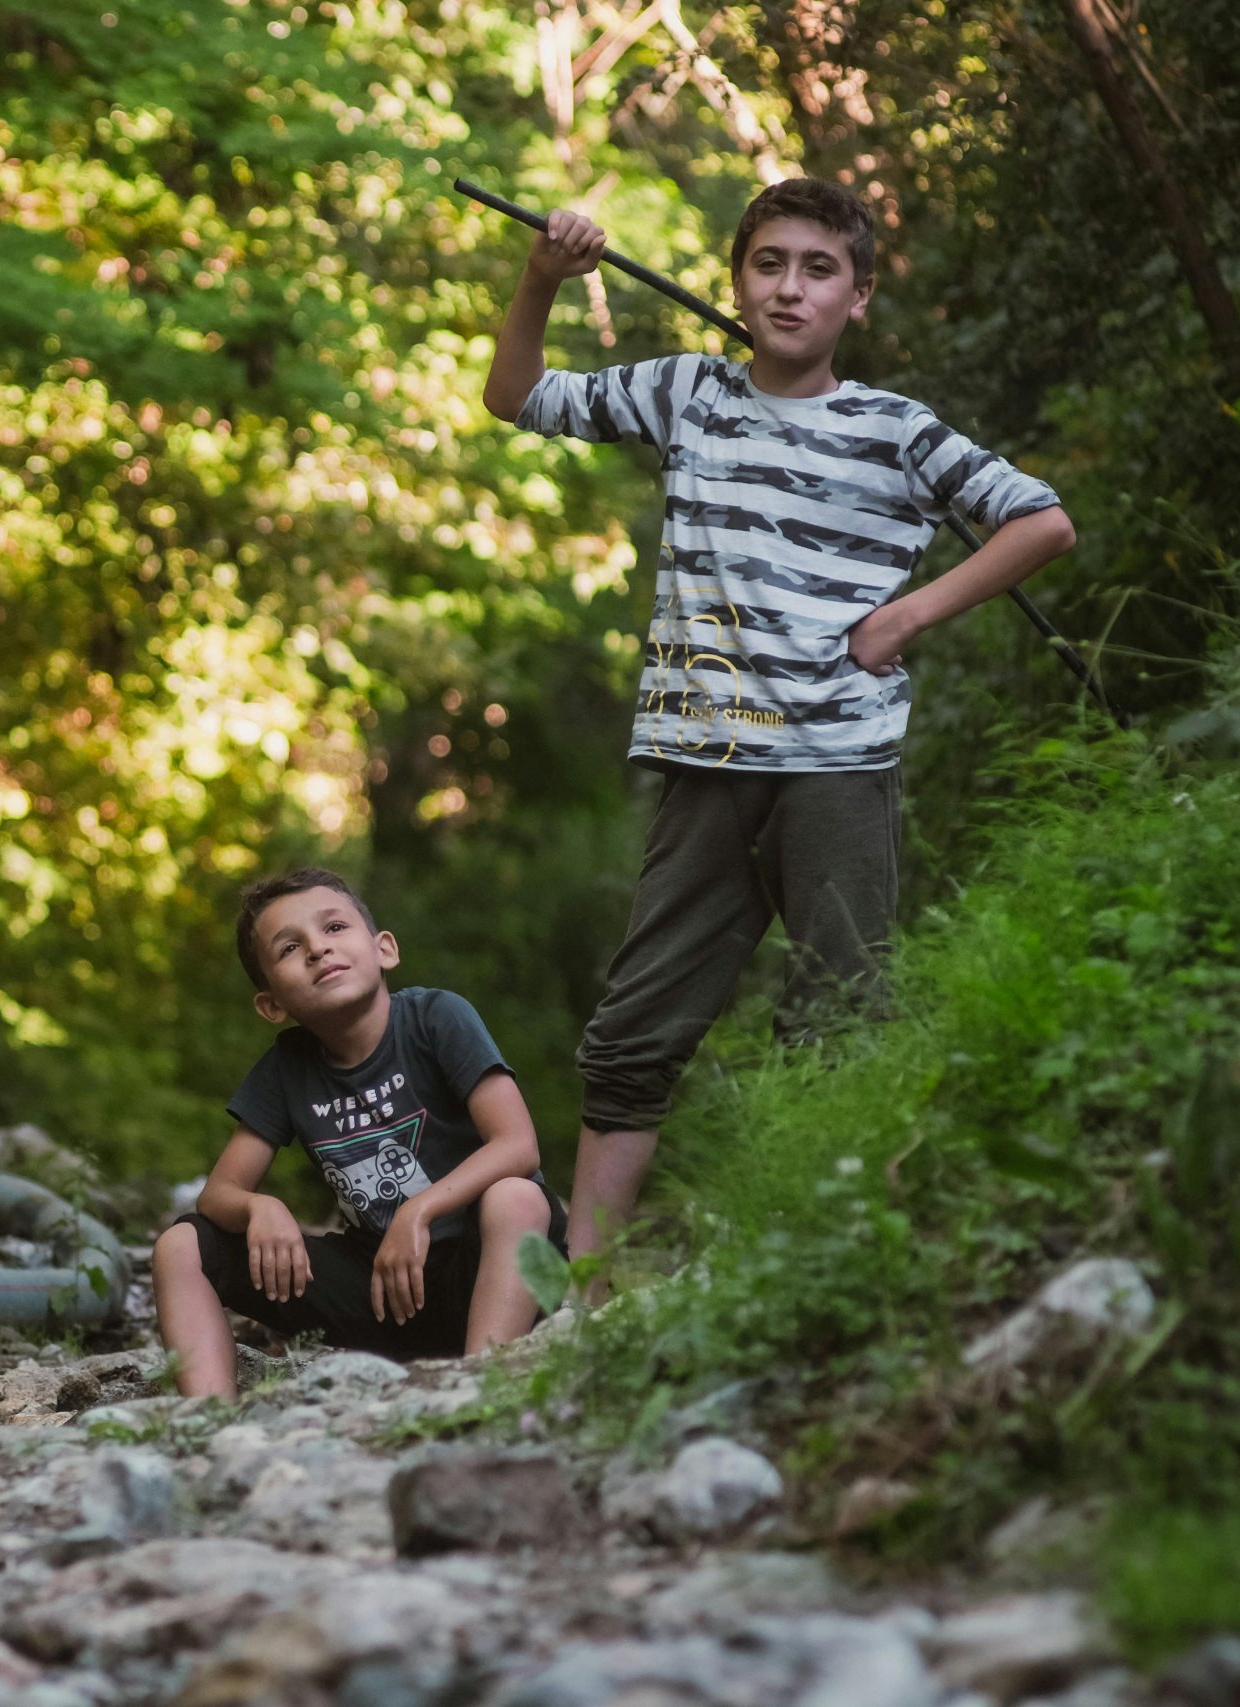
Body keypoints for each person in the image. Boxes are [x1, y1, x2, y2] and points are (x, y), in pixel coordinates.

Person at [481, 178, 1077, 1290]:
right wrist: (540, 280)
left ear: (859, 295)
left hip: (837, 771)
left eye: (817, 269)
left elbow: (1042, 521)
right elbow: (514, 397)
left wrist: (906, 616)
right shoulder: (686, 393)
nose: (790, 289)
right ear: (738, 282)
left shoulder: (895, 428)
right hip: (704, 764)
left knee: (838, 1021)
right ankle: (582, 1296)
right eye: (768, 265)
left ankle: (818, 1273)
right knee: (633, 1030)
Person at [152, 869, 568, 1394]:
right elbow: (218, 1195)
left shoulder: (435, 1018)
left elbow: (518, 1145)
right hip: (385, 1293)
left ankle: (481, 1390)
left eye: (334, 927)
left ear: (384, 949)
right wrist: (260, 1207)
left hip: (490, 1274)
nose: (318, 949)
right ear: (271, 1005)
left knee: (516, 1197)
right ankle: (208, 1421)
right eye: (289, 948)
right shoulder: (287, 1068)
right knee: (181, 1246)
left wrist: (418, 1210)